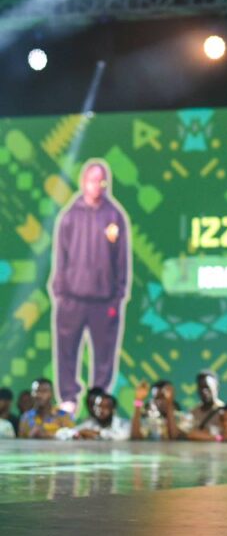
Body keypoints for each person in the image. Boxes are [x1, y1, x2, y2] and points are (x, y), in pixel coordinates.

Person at [49, 160, 132, 413]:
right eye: (93, 180)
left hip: (104, 299)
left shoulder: (114, 216)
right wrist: (60, 290)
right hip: (72, 298)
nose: (97, 185)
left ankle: (98, 397)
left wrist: (118, 293)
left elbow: (121, 258)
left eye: (102, 181)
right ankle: (68, 398)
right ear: (84, 182)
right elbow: (61, 256)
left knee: (104, 352)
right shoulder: (70, 215)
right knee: (67, 350)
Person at [57, 392, 130, 441]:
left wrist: (98, 433)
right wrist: (78, 433)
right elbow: (60, 434)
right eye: (99, 407)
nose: (101, 410)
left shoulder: (122, 424)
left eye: (106, 407)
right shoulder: (90, 423)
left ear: (113, 409)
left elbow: (124, 435)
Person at [190, 370, 225, 436]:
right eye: (201, 387)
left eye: (207, 387)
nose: (204, 391)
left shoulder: (225, 412)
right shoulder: (193, 412)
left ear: (217, 387)